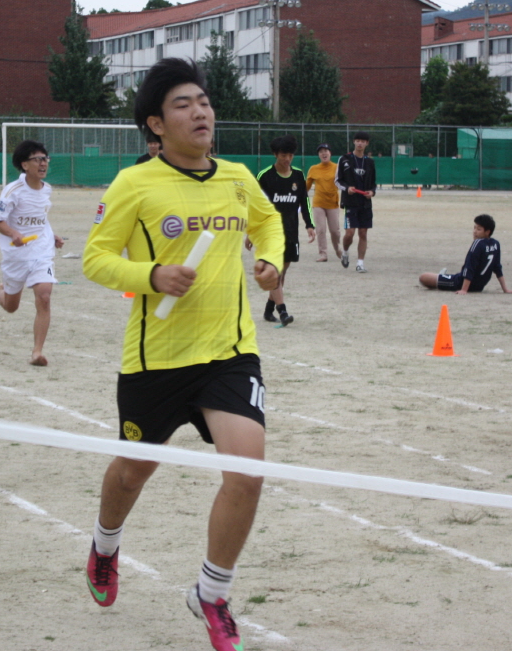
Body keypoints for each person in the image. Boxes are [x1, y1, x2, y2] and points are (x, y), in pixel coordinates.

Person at [82, 58, 284, 651]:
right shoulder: (134, 184)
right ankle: (105, 545)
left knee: (248, 469)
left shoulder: (238, 177)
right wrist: (151, 274)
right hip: (156, 360)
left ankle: (212, 593)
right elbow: (97, 257)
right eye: (182, 104)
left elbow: (268, 222)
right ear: (156, 125)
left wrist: (271, 261)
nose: (200, 111)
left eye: (203, 101)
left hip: (230, 354)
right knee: (133, 470)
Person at [0, 140, 64, 366]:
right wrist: (13, 233)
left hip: (41, 252)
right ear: (24, 165)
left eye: (45, 158)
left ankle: (37, 352)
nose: (43, 163)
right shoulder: (13, 191)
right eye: (37, 159)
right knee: (11, 307)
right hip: (16, 255)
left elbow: (41, 220)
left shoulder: (47, 189)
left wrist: (53, 235)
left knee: (45, 296)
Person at [254, 134, 315, 325]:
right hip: (269, 233)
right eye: (283, 155)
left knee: (282, 272)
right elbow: (255, 205)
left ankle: (268, 310)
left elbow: (304, 201)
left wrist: (309, 224)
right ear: (275, 154)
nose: (287, 159)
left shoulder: (298, 175)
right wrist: (251, 231)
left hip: (291, 231)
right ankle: (283, 311)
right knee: (276, 271)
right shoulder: (265, 176)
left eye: (290, 155)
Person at [418, 214, 512, 295]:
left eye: (479, 229)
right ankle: (442, 276)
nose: (475, 232)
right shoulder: (496, 244)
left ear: (488, 232)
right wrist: (505, 289)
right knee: (448, 276)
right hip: (479, 286)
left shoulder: (478, 243)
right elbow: (497, 268)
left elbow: (470, 266)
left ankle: (441, 276)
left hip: (461, 282)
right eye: (474, 228)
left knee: (423, 278)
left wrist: (464, 290)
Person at [336, 131, 377, 272]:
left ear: (367, 143)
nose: (360, 143)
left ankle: (360, 263)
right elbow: (337, 180)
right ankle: (345, 252)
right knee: (350, 233)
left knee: (363, 233)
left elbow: (373, 184)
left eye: (363, 141)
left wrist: (372, 192)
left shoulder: (370, 162)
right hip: (350, 203)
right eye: (357, 140)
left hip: (365, 204)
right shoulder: (345, 159)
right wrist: (347, 188)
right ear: (354, 142)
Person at [306, 142, 343, 263]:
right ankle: (323, 253)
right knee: (321, 229)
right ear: (318, 155)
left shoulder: (337, 168)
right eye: (321, 151)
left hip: (332, 203)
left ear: (330, 153)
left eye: (326, 151)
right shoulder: (313, 169)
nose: (324, 153)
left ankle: (338, 249)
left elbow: (343, 183)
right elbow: (306, 187)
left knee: (335, 231)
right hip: (318, 203)